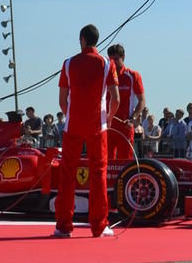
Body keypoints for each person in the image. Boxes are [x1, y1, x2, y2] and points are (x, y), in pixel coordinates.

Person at [53, 23, 119, 239]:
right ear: (96, 40)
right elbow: (115, 98)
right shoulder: (107, 64)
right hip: (97, 125)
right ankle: (99, 226)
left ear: (81, 39)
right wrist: (107, 118)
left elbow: (62, 100)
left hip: (72, 125)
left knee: (67, 174)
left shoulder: (68, 63)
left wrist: (71, 113)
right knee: (98, 174)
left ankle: (63, 226)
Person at [105, 44, 145, 162]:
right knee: (107, 162)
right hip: (108, 126)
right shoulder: (105, 76)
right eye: (110, 59)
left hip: (125, 126)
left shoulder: (133, 76)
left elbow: (142, 101)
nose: (113, 62)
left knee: (125, 162)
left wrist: (133, 118)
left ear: (123, 57)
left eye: (116, 59)